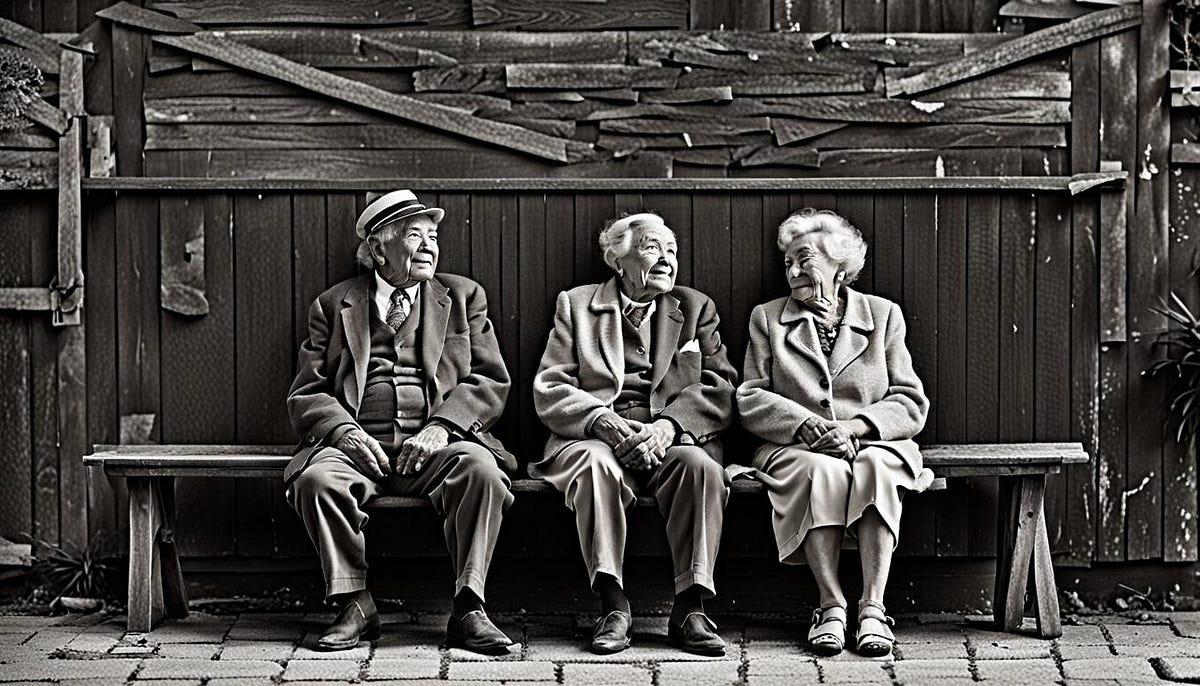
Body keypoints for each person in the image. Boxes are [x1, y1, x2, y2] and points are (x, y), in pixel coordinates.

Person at [285, 190, 516, 654]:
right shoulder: (333, 305)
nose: (431, 245)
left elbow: (490, 381)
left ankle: (469, 607)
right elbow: (306, 393)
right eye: (416, 236)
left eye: (434, 236)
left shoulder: (464, 297)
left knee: (483, 471)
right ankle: (355, 603)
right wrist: (344, 432)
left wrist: (444, 426)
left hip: (438, 448)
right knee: (316, 480)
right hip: (358, 449)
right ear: (377, 250)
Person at [531, 212, 738, 656]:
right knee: (594, 466)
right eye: (652, 248)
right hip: (596, 436)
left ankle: (691, 606)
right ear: (616, 259)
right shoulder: (577, 305)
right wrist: (601, 421)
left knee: (701, 468)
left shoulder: (696, 307)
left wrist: (668, 426)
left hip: (673, 436)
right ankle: (613, 605)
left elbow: (721, 390)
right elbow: (551, 386)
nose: (667, 259)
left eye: (672, 251)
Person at [736, 208, 929, 657]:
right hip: (795, 447)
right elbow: (749, 397)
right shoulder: (767, 318)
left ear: (840, 265)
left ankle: (873, 609)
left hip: (873, 441)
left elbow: (910, 400)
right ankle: (830, 606)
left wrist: (857, 428)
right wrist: (805, 425)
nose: (793, 270)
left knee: (878, 467)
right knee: (820, 470)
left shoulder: (883, 316)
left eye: (803, 259)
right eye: (787, 263)